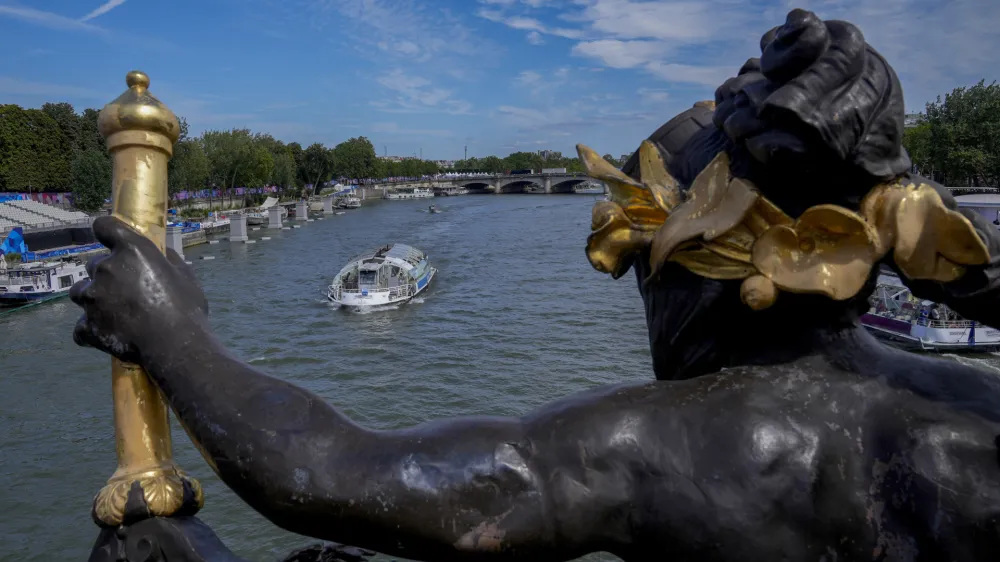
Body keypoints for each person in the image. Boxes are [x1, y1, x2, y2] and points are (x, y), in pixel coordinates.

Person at [73, 9, 1000, 562]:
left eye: (640, 254)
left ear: (720, 249)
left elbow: (338, 474)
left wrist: (174, 332)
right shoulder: (962, 409)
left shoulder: (712, 435)